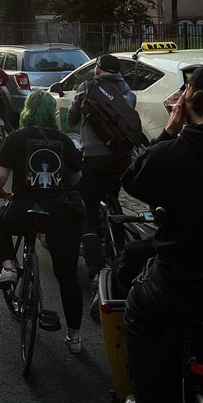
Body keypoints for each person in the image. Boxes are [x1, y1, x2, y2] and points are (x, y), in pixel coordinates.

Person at [121, 62, 203, 403]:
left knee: (139, 313)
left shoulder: (170, 154)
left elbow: (133, 181)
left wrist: (169, 130)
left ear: (186, 102)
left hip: (177, 287)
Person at [0, 88, 85, 354]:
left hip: (23, 207)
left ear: (27, 111)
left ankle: (9, 267)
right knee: (67, 276)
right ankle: (75, 337)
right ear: (52, 114)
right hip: (60, 212)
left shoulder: (16, 137)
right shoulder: (63, 140)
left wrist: (0, 191)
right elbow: (76, 177)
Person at [68, 54, 137, 280]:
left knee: (87, 209)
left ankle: (94, 265)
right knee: (113, 198)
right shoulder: (127, 93)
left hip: (94, 158)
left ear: (98, 68)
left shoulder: (87, 87)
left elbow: (72, 118)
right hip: (121, 159)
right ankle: (120, 249)